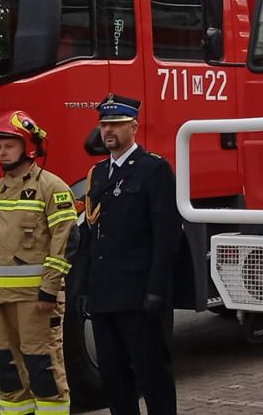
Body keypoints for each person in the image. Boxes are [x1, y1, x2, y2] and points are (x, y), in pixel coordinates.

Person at [72, 94, 178, 415]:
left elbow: (165, 235)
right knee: (114, 378)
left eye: (116, 124)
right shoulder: (98, 173)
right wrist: (84, 288)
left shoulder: (153, 169)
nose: (108, 131)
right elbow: (91, 238)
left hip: (139, 295)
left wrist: (158, 289)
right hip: (104, 296)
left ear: (133, 127)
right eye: (104, 124)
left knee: (152, 374)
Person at [0, 110, 76, 415]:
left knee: (42, 367)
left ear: (30, 147)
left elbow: (65, 242)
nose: (2, 152)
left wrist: (50, 289)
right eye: (0, 146)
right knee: (5, 367)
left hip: (36, 299)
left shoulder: (53, 188)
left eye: (9, 145)